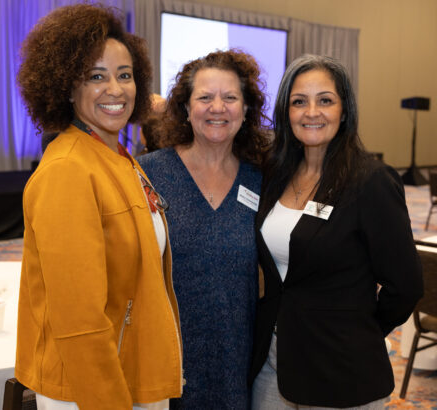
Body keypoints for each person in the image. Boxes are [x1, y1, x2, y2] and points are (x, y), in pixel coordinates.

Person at [15, 5, 183, 410]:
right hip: (91, 391)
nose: (116, 89)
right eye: (96, 76)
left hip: (130, 369)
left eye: (125, 75)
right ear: (67, 87)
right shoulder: (69, 170)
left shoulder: (116, 157)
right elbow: (79, 322)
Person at [249, 54, 423, 409]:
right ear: (286, 112)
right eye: (299, 102)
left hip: (341, 370)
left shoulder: (370, 181)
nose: (311, 112)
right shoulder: (275, 173)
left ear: (344, 110)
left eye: (325, 100)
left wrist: (361, 331)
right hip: (273, 360)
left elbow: (405, 286)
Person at [138, 50, 269, 409]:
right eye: (205, 97)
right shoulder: (147, 174)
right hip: (165, 355)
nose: (218, 107)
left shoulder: (261, 180)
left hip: (238, 354)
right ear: (185, 107)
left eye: (230, 97)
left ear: (246, 109)